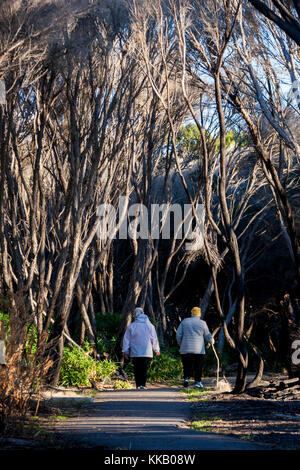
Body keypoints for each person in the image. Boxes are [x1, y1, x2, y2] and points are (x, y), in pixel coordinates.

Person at [122, 307, 160, 390]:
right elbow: (154, 338)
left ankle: (138, 385)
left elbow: (126, 339)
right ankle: (143, 384)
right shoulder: (150, 325)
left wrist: (126, 351)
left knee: (137, 368)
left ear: (135, 315)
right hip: (146, 351)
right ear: (143, 313)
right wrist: (156, 349)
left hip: (135, 351)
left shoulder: (132, 326)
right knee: (144, 368)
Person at [176, 306, 214, 388]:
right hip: (198, 349)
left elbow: (178, 335)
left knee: (186, 365)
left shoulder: (184, 321)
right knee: (198, 366)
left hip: (185, 348)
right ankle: (197, 382)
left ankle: (186, 379)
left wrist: (180, 344)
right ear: (199, 314)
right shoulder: (202, 323)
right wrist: (212, 341)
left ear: (192, 313)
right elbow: (207, 336)